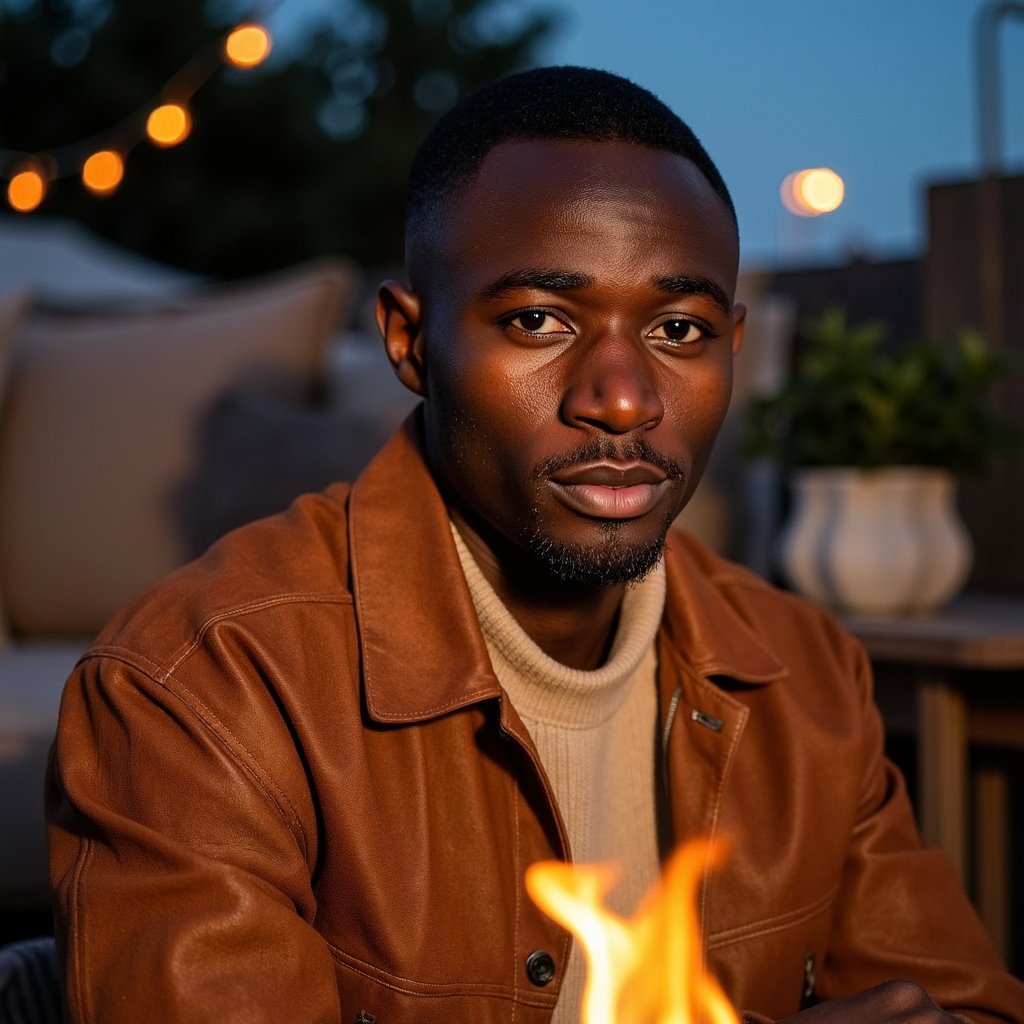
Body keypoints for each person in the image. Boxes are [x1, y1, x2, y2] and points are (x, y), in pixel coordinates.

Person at [47, 66, 1023, 1024]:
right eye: (538, 320)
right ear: (408, 342)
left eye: (678, 329)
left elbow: (961, 1001)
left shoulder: (806, 673)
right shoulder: (200, 686)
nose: (622, 397)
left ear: (734, 348)